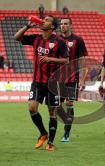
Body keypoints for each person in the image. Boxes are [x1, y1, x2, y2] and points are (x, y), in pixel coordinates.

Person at [14, 15, 68, 151]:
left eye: (47, 20)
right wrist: (27, 26)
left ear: (52, 26)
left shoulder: (59, 42)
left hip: (53, 83)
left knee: (52, 112)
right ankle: (43, 133)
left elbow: (66, 61)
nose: (43, 21)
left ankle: (50, 142)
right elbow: (16, 37)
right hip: (37, 81)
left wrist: (50, 59)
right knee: (32, 108)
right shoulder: (36, 38)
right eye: (43, 19)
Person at [59, 17, 88, 142]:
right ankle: (67, 120)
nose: (63, 26)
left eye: (65, 24)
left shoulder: (78, 40)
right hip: (58, 78)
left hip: (72, 77)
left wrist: (82, 79)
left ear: (70, 25)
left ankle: (66, 133)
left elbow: (82, 60)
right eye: (61, 24)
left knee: (70, 104)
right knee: (55, 106)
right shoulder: (55, 39)